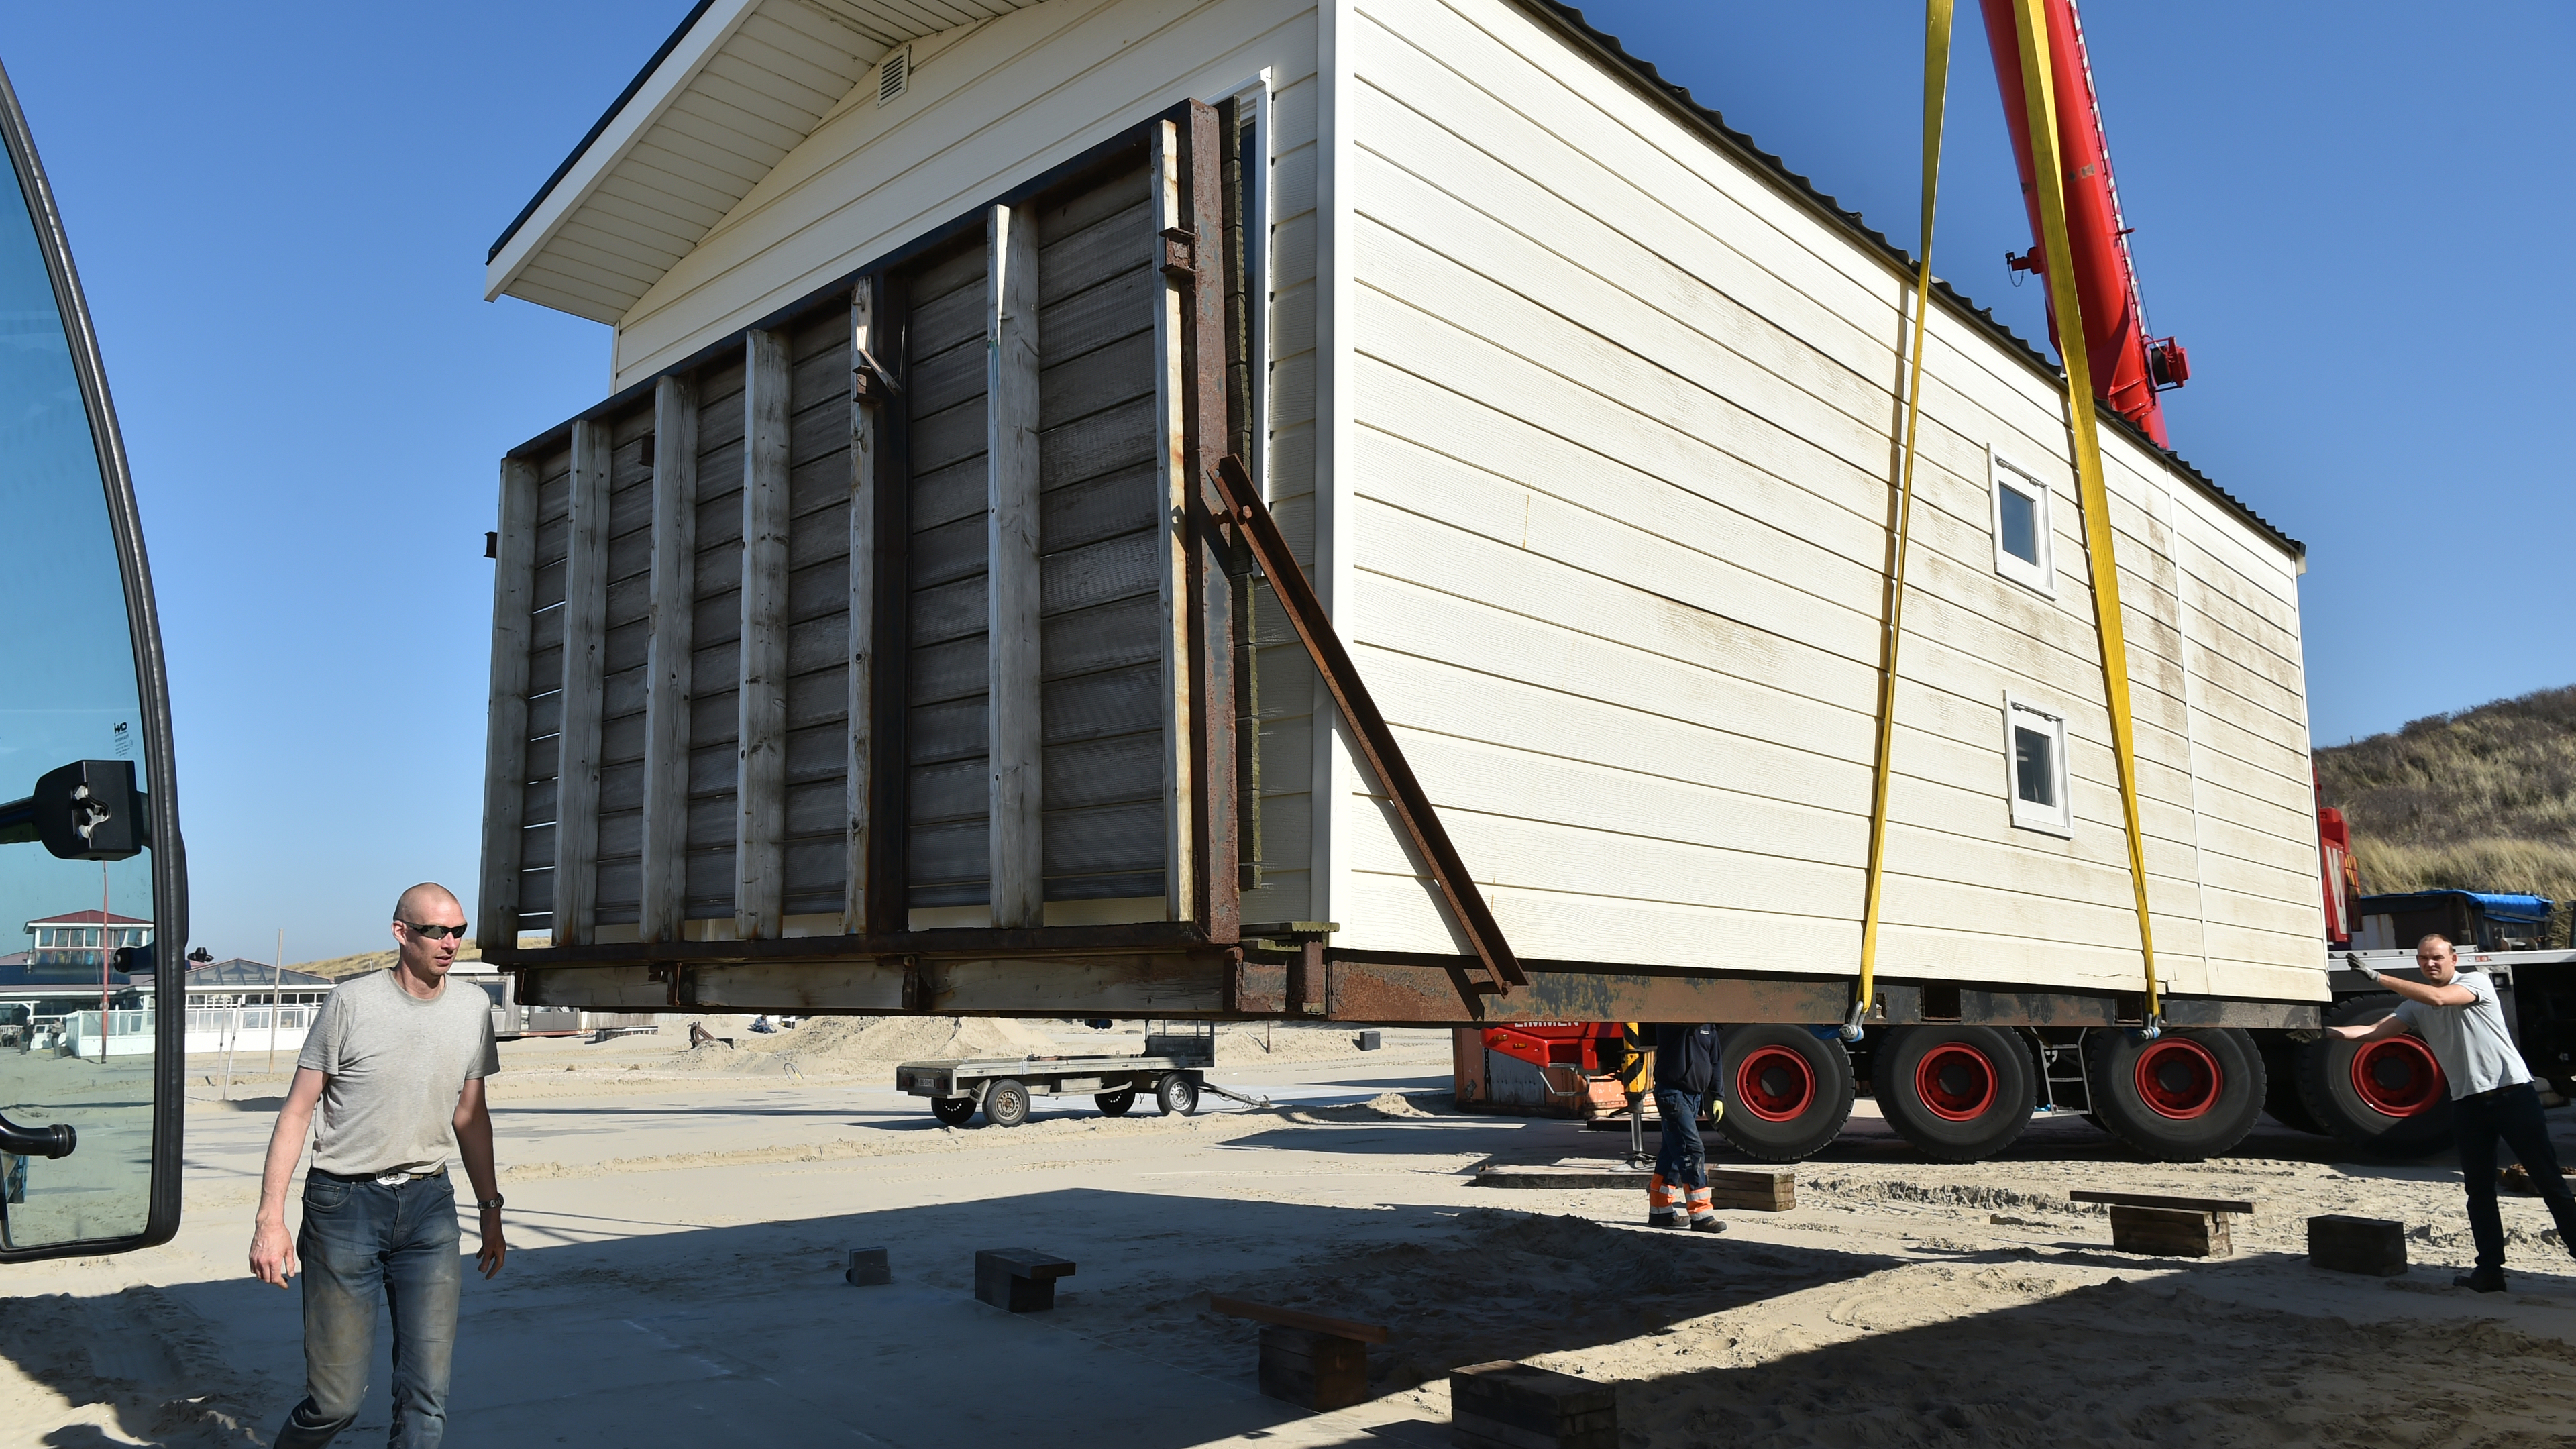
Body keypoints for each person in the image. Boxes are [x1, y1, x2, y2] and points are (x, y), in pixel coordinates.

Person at [248, 883, 505, 1446]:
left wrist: (491, 1210)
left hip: (429, 1208)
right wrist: (270, 1219)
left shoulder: (473, 1007)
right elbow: (296, 1111)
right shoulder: (350, 1003)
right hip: (343, 1209)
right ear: (401, 933)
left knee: (426, 1400)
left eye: (458, 930)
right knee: (335, 1403)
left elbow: (470, 1114)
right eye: (436, 930)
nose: (450, 942)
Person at [2332, 934, 2576, 1293]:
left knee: (2550, 1183)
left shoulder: (2473, 982)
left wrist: (2378, 978)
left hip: (2513, 1097)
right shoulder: (2414, 1006)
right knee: (2478, 1191)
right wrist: (2323, 1032)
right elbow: (2371, 1033)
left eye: (2437, 958)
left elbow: (2439, 998)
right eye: (2424, 959)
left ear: (2453, 958)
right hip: (2467, 1104)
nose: (2431, 964)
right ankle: (2489, 1272)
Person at [1648, 1022, 1725, 1232]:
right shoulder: (1673, 1023)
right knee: (1691, 1150)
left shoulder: (1709, 1027)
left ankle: (1660, 1212)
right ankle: (1701, 1215)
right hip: (1672, 1093)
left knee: (1671, 1153)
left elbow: (1715, 1061)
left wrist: (1718, 1095)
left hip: (1694, 1097)